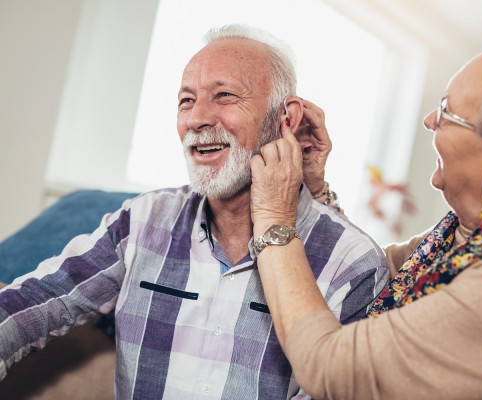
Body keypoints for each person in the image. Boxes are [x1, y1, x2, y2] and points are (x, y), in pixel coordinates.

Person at [0, 24, 389, 399]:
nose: (197, 119)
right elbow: (36, 300)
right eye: (186, 100)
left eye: (224, 96)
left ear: (286, 119)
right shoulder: (142, 221)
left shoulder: (353, 263)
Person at [250, 10, 482, 400]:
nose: (430, 120)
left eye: (449, 113)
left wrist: (273, 221)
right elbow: (369, 276)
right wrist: (316, 193)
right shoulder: (472, 241)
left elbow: (333, 368)